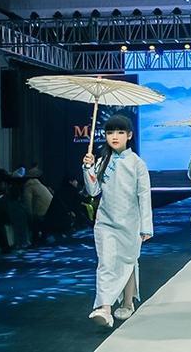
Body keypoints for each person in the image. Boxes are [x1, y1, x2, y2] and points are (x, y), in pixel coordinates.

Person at [82, 114, 153, 328]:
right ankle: (104, 308)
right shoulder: (102, 161)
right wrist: (87, 168)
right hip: (105, 222)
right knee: (106, 263)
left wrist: (146, 226)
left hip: (130, 223)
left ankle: (128, 302)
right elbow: (93, 190)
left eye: (120, 132)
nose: (115, 136)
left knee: (128, 261)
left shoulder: (137, 163)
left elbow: (144, 195)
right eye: (110, 132)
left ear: (129, 135)